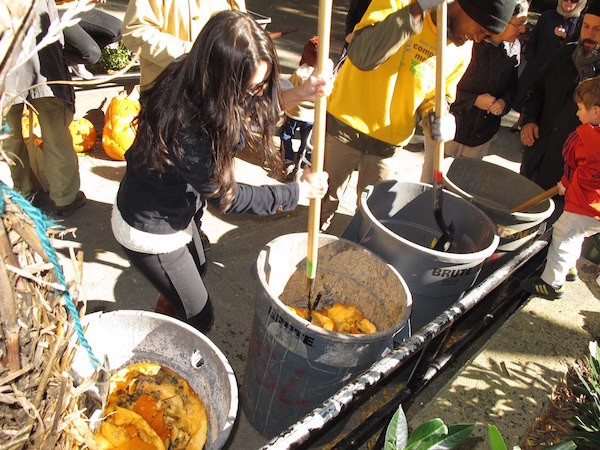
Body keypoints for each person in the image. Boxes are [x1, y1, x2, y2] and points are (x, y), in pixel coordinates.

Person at [111, 10, 331, 332]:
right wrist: (296, 192)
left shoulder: (195, 73)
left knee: (197, 268)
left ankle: (167, 313)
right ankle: (165, 351)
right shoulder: (188, 126)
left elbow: (245, 111)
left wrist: (302, 93)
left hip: (177, 210)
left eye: (258, 87)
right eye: (247, 88)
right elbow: (228, 199)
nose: (252, 96)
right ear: (222, 76)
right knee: (199, 317)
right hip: (151, 230)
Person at [321, 0, 515, 231]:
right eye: (481, 30)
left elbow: (439, 94)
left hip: (389, 139)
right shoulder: (400, 3)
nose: (479, 38)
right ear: (467, 7)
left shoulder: (461, 50)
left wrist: (439, 114)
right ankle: (305, 258)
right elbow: (363, 56)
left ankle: (347, 258)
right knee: (322, 202)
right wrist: (416, 11)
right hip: (345, 123)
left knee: (371, 216)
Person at [3, 0, 86, 217]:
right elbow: (55, 29)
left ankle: (22, 192)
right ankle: (64, 197)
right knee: (56, 133)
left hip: (6, 73)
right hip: (44, 67)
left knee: (10, 136)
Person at [519, 0, 600, 224]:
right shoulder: (564, 55)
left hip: (570, 183)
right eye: (586, 26)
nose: (589, 34)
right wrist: (530, 120)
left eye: (597, 29)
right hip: (537, 160)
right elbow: (537, 90)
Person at [521, 77, 600, 299]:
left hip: (582, 203)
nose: (577, 114)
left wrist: (565, 184)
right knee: (579, 235)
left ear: (596, 111)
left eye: (580, 108)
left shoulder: (582, 138)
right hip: (597, 208)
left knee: (563, 235)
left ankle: (551, 283)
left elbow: (571, 164)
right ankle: (570, 268)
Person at [445, 0, 528, 160]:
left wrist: (504, 103)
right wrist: (474, 100)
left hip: (481, 136)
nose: (523, 29)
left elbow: (512, 87)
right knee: (433, 181)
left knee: (466, 181)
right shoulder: (467, 39)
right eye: (518, 24)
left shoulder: (514, 47)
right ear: (501, 19)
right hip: (450, 129)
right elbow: (439, 88)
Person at [121, 0, 246, 90]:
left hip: (215, 93)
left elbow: (240, 28)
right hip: (167, 96)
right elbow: (135, 32)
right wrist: (194, 53)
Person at [512, 0, 587, 130]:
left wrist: (565, 36)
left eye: (574, 0)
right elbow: (534, 37)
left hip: (558, 70)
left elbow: (578, 47)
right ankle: (521, 120)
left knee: (547, 97)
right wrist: (531, 56)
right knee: (527, 93)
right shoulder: (548, 16)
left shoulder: (581, 22)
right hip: (538, 62)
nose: (568, 3)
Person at [280, 36, 317, 180]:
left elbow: (289, 87)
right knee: (306, 139)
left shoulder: (301, 72)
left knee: (286, 134)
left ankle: (287, 159)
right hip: (311, 116)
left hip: (295, 112)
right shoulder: (322, 74)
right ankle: (301, 162)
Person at [59, 0, 123, 79]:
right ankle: (60, 58)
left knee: (118, 30)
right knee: (90, 55)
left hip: (76, 7)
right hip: (54, 11)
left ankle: (75, 54)